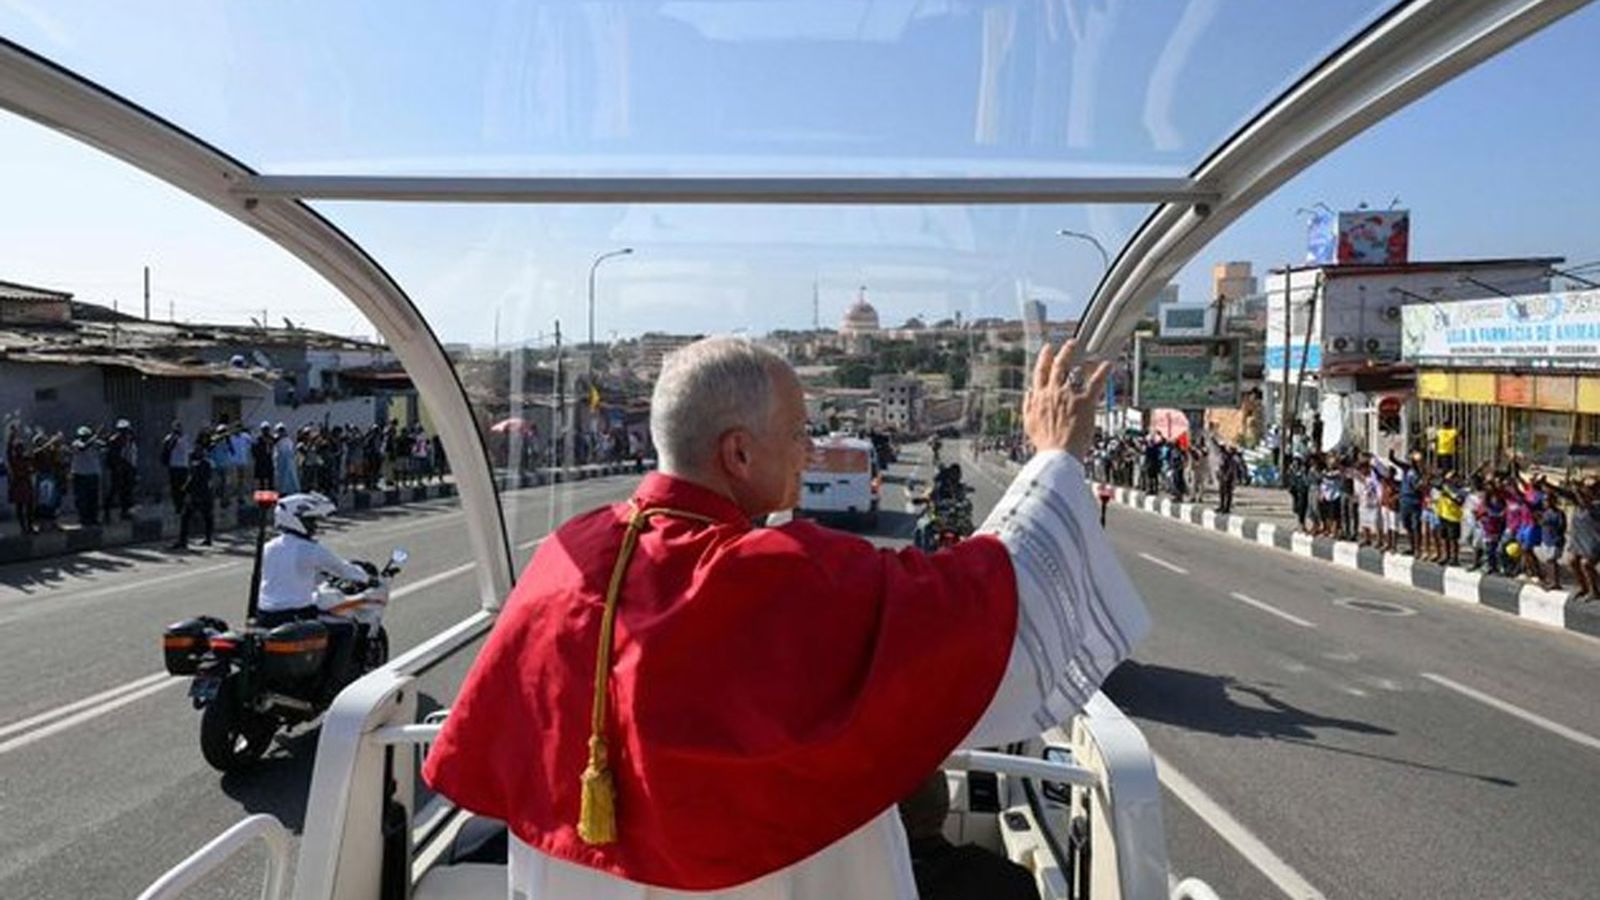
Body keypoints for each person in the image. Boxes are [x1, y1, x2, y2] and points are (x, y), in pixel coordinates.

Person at [422, 337, 1147, 899]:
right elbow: (986, 598)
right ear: (737, 451)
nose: (809, 450)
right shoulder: (774, 573)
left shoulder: (566, 554)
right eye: (798, 432)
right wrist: (1055, 458)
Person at [257, 492, 372, 691]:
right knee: (347, 629)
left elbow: (287, 574)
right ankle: (334, 685)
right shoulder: (309, 549)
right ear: (296, 520)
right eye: (310, 521)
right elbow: (343, 569)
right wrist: (367, 578)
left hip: (265, 617)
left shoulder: (268, 547)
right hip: (296, 616)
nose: (315, 526)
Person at [170, 437, 216, 549]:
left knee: (190, 517)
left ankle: (184, 541)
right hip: (203, 495)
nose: (195, 452)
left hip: (200, 495)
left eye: (198, 450)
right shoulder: (201, 464)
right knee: (203, 516)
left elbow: (195, 479)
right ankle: (206, 538)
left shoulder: (203, 465)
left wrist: (186, 490)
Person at [68, 425, 105, 527]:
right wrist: (95, 437)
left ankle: (93, 518)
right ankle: (84, 519)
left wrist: (100, 439)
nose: (84, 438)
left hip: (93, 474)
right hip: (80, 475)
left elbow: (104, 446)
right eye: (82, 436)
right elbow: (83, 448)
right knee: (81, 499)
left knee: (93, 499)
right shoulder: (76, 443)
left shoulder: (94, 443)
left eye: (86, 436)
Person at [6, 423, 38, 535]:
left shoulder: (26, 459)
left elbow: (33, 462)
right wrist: (12, 435)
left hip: (26, 483)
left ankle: (29, 526)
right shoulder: (13, 459)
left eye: (21, 448)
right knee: (20, 506)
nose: (20, 450)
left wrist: (30, 469)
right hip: (18, 483)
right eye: (18, 448)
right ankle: (23, 527)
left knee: (30, 506)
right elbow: (8, 449)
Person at [105, 419, 138, 521]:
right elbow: (112, 457)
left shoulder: (128, 439)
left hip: (126, 467)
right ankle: (107, 513)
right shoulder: (114, 440)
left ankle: (125, 512)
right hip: (118, 469)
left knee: (126, 491)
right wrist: (117, 467)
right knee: (114, 491)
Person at [160, 421, 191, 513]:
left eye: (179, 427)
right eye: (177, 427)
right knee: (175, 487)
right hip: (175, 466)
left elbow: (188, 451)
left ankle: (181, 504)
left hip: (183, 466)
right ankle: (178, 505)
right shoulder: (170, 438)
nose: (179, 429)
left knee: (182, 487)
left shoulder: (185, 438)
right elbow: (167, 449)